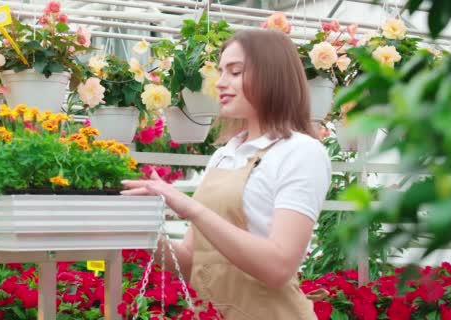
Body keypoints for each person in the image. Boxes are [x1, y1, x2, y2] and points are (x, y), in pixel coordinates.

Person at [121, 29, 331, 319]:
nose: (220, 83)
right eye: (220, 72)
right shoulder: (225, 154)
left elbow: (278, 267)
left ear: (272, 76)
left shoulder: (300, 152)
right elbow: (192, 261)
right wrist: (136, 228)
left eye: (235, 72)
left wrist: (191, 208)